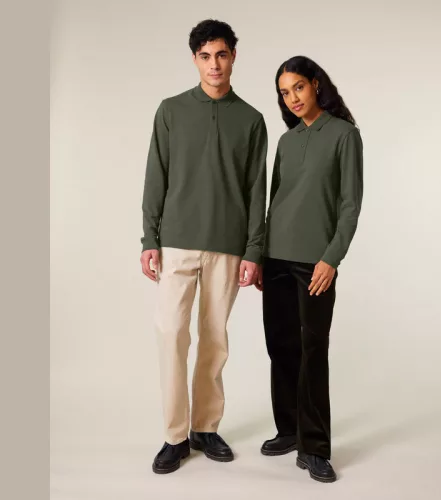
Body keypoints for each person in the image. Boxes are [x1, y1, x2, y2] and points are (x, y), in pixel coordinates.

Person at [140, 19, 268, 474]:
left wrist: (254, 250)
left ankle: (205, 427)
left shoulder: (251, 120)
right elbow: (156, 175)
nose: (214, 64)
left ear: (233, 56)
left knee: (215, 339)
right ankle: (175, 436)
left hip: (228, 246)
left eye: (222, 55)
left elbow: (257, 189)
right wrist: (150, 238)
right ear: (195, 59)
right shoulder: (171, 111)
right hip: (176, 242)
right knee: (171, 333)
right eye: (205, 56)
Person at [259, 55, 363, 483]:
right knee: (281, 346)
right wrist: (260, 254)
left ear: (316, 84)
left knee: (313, 350)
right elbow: (275, 200)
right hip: (275, 257)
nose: (293, 98)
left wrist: (331, 259)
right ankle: (289, 429)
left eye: (298, 87)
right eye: (285, 93)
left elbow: (350, 206)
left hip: (315, 263)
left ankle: (315, 447)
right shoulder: (286, 141)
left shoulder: (344, 135)